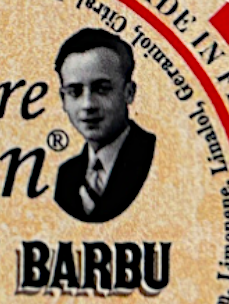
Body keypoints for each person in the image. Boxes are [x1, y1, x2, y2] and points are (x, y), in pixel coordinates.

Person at [53, 28, 156, 223]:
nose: (88, 105)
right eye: (75, 92)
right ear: (63, 100)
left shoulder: (156, 155)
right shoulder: (67, 176)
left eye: (102, 89)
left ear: (129, 92)